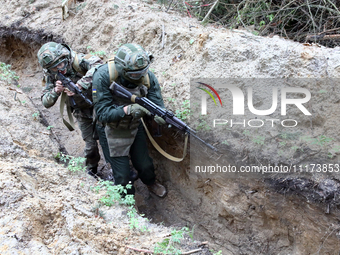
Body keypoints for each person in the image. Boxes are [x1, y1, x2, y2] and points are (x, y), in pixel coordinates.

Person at [92, 43, 167, 198]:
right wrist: (128, 109)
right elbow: (102, 114)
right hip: (109, 129)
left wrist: (160, 116)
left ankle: (150, 183)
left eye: (142, 72)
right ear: (122, 69)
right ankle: (129, 206)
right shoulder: (103, 76)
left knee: (145, 164)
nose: (139, 77)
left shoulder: (147, 77)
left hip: (133, 125)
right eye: (133, 74)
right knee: (122, 175)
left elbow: (157, 103)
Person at [37, 42, 103, 177]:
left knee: (108, 140)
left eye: (60, 64)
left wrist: (81, 84)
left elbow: (100, 65)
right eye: (54, 68)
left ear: (65, 58)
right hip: (81, 112)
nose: (59, 69)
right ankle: (92, 171)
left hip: (100, 105)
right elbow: (45, 102)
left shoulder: (78, 61)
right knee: (90, 147)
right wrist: (56, 91)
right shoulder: (52, 74)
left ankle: (120, 172)